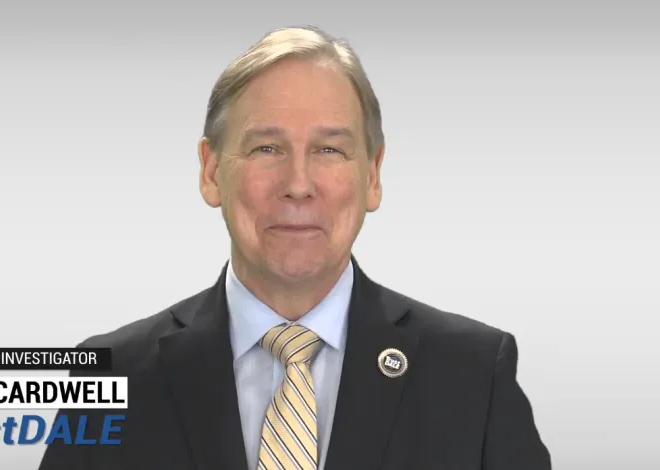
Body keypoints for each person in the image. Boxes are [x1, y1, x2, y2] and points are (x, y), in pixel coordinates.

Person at [38, 25, 551, 470]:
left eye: (329, 149)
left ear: (372, 175)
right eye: (267, 148)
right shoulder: (111, 378)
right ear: (212, 171)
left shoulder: (473, 377)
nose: (299, 184)